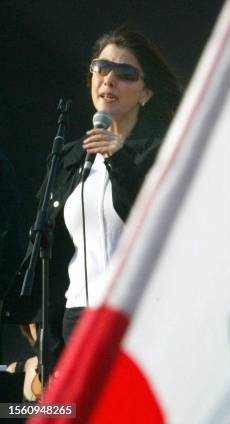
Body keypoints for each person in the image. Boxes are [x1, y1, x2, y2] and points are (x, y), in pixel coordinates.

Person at [1, 27, 181, 384]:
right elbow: (47, 252)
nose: (109, 79)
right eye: (101, 67)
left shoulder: (160, 153)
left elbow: (162, 225)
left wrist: (120, 159)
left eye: (125, 73)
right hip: (73, 318)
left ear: (145, 93)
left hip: (133, 318)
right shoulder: (68, 158)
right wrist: (42, 343)